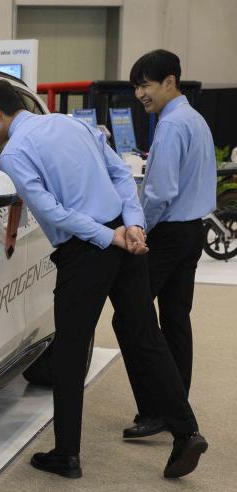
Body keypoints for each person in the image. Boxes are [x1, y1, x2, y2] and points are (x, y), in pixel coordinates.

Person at [0, 79, 207, 479]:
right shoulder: (71, 124)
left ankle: (66, 454)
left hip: (86, 251)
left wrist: (106, 235)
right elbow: (120, 175)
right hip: (123, 241)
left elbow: (53, 212)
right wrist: (132, 225)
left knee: (71, 351)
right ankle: (187, 431)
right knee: (147, 338)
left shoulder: (15, 153)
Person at [119, 50, 217, 439]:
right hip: (193, 231)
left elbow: (159, 192)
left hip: (169, 235)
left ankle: (157, 409)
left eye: (145, 84)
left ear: (169, 82)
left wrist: (138, 226)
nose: (140, 94)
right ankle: (176, 404)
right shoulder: (195, 119)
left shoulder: (172, 125)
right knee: (176, 320)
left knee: (131, 316)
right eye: (137, 86)